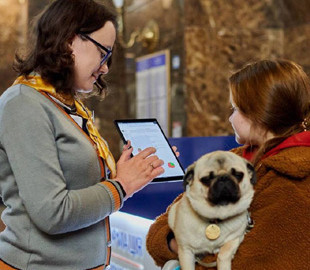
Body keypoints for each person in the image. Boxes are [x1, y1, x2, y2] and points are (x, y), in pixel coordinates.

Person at [0, 0, 167, 269]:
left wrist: (124, 175)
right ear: (69, 40)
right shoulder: (24, 103)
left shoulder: (66, 105)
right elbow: (53, 213)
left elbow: (76, 186)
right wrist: (121, 186)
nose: (105, 68)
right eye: (104, 53)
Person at [146, 59, 310, 269]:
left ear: (258, 112)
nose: (230, 118)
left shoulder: (295, 180)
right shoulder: (238, 158)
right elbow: (163, 227)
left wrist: (186, 246)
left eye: (234, 109)